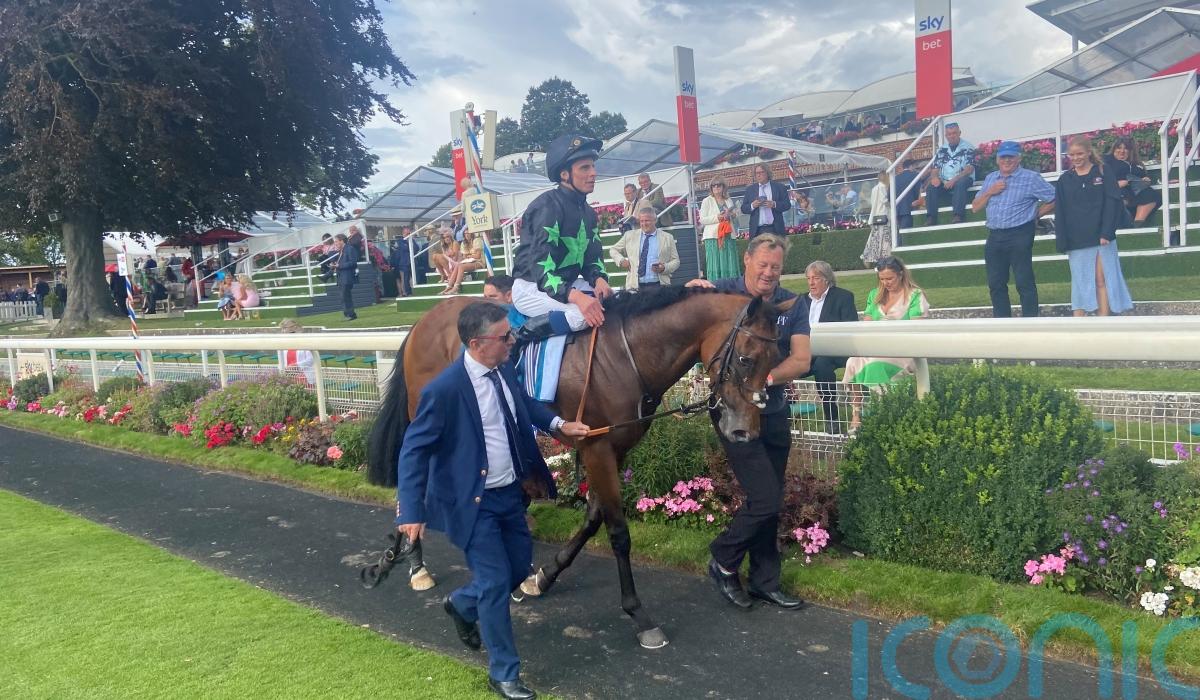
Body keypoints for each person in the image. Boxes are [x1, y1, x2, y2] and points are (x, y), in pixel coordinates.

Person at [395, 302, 590, 700]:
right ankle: (504, 673)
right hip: (474, 505)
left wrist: (559, 424)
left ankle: (463, 604)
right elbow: (413, 450)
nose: (512, 340)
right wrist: (411, 509)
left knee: (517, 569)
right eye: (504, 336)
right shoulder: (445, 390)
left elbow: (525, 404)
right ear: (477, 344)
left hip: (510, 496)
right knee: (496, 582)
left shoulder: (503, 369)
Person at [685, 234, 810, 612]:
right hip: (734, 412)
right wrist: (692, 289)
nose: (769, 272)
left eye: (776, 267)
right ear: (747, 260)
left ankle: (764, 581)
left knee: (770, 497)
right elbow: (686, 310)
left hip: (773, 409)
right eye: (763, 264)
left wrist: (765, 379)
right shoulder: (722, 293)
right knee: (766, 497)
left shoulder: (792, 304)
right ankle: (724, 560)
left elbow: (801, 359)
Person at [509, 133, 614, 344]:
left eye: (593, 166)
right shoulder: (547, 207)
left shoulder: (588, 212)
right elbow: (542, 271)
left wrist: (599, 279)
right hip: (532, 286)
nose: (593, 173)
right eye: (585, 168)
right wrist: (577, 297)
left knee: (616, 302)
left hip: (566, 284)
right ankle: (520, 337)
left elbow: (592, 259)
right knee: (580, 316)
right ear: (565, 174)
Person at [843, 256, 930, 430]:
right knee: (852, 361)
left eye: (890, 278)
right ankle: (856, 413)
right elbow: (867, 324)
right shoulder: (875, 295)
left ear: (900, 274)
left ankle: (887, 409)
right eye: (882, 279)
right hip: (877, 347)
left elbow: (917, 329)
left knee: (876, 364)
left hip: (904, 351)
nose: (886, 283)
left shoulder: (915, 295)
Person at [971, 140, 1056, 318]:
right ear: (997, 159)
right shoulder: (991, 179)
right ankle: (1002, 322)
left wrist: (1036, 215)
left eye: (1011, 157)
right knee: (995, 283)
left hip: (1020, 233)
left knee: (1023, 280)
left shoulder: (1031, 178)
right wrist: (990, 191)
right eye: (1003, 157)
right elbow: (975, 207)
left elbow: (1055, 198)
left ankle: (1030, 322)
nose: (1007, 160)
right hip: (995, 234)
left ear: (1019, 158)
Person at [1056, 136, 1134, 317]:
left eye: (1080, 154)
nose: (1076, 158)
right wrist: (1062, 240)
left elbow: (1112, 203)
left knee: (1101, 280)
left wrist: (1107, 232)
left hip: (1100, 237)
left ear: (1088, 152)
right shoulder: (1064, 179)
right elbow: (1061, 210)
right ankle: (1078, 322)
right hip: (1076, 238)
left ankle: (1103, 320)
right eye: (1072, 155)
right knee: (1079, 282)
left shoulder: (1103, 171)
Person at [798, 261, 858, 434]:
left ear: (827, 279)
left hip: (836, 350)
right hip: (807, 350)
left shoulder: (843, 297)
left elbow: (850, 328)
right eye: (808, 278)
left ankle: (832, 419)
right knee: (783, 363)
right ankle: (781, 416)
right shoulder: (801, 300)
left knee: (822, 365)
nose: (811, 283)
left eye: (816, 278)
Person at [609, 208, 680, 290]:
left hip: (659, 286)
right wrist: (621, 260)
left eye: (647, 221)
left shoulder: (668, 238)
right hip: (635, 287)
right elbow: (613, 250)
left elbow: (676, 261)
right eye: (641, 221)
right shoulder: (629, 236)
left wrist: (664, 267)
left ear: (655, 220)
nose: (644, 224)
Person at [925, 122, 976, 225]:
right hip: (945, 181)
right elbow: (935, 169)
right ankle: (931, 217)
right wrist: (935, 178)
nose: (952, 136)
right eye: (949, 134)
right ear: (946, 136)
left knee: (960, 183)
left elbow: (969, 169)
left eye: (954, 133)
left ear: (959, 133)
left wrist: (954, 180)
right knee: (931, 187)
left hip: (963, 178)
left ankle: (958, 215)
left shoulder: (968, 147)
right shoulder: (942, 149)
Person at [1104, 136, 1159, 226]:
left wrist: (1145, 180)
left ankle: (1137, 225)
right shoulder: (1106, 161)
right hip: (1117, 192)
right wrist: (1117, 184)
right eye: (1119, 148)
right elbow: (1098, 180)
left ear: (1130, 151)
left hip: (1133, 193)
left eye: (1126, 149)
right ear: (1114, 149)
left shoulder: (1136, 165)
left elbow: (1143, 177)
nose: (1122, 151)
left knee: (1151, 194)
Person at [698, 178, 742, 281]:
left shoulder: (728, 200)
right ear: (711, 188)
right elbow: (702, 219)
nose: (716, 187)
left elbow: (734, 217)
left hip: (728, 235)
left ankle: (731, 285)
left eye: (718, 185)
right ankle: (716, 286)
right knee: (715, 263)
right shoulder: (706, 201)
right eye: (713, 185)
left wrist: (732, 215)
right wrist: (718, 217)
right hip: (713, 237)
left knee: (730, 261)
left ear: (723, 187)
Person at [741, 164, 790, 237]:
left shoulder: (779, 187)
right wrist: (752, 205)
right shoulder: (750, 190)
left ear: (767, 173)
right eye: (756, 173)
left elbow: (787, 205)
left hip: (775, 229)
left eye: (761, 172)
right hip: (757, 230)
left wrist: (774, 204)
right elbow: (743, 208)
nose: (758, 175)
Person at [443, 228, 487, 295]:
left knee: (461, 267)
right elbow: (464, 256)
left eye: (468, 233)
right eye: (465, 233)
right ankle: (448, 286)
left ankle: (456, 287)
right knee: (458, 265)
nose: (467, 235)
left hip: (479, 262)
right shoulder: (464, 243)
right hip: (468, 262)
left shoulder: (477, 240)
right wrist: (470, 256)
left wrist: (469, 256)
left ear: (471, 234)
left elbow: (478, 256)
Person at [861, 172, 891, 267]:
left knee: (875, 239)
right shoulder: (882, 187)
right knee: (883, 239)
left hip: (875, 216)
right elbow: (885, 201)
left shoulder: (874, 188)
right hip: (883, 216)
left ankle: (868, 257)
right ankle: (882, 259)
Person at [278, 318, 316, 384]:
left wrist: (296, 365)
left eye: (293, 326)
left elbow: (311, 359)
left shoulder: (305, 341)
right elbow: (281, 362)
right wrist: (284, 371)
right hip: (288, 378)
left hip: (306, 378)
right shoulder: (281, 344)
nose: (292, 329)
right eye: (287, 327)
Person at [334, 233, 360, 321]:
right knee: (343, 297)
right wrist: (336, 266)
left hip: (347, 276)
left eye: (336, 241)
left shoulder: (350, 249)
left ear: (342, 241)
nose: (335, 243)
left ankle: (351, 315)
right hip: (341, 276)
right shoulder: (341, 250)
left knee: (346, 296)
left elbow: (353, 262)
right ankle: (348, 314)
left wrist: (339, 266)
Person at [893, 159, 920, 230]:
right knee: (906, 234)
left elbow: (889, 196)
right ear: (911, 166)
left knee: (900, 232)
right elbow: (918, 191)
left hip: (897, 210)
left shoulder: (895, 178)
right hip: (910, 208)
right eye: (914, 166)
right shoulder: (915, 175)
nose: (915, 168)